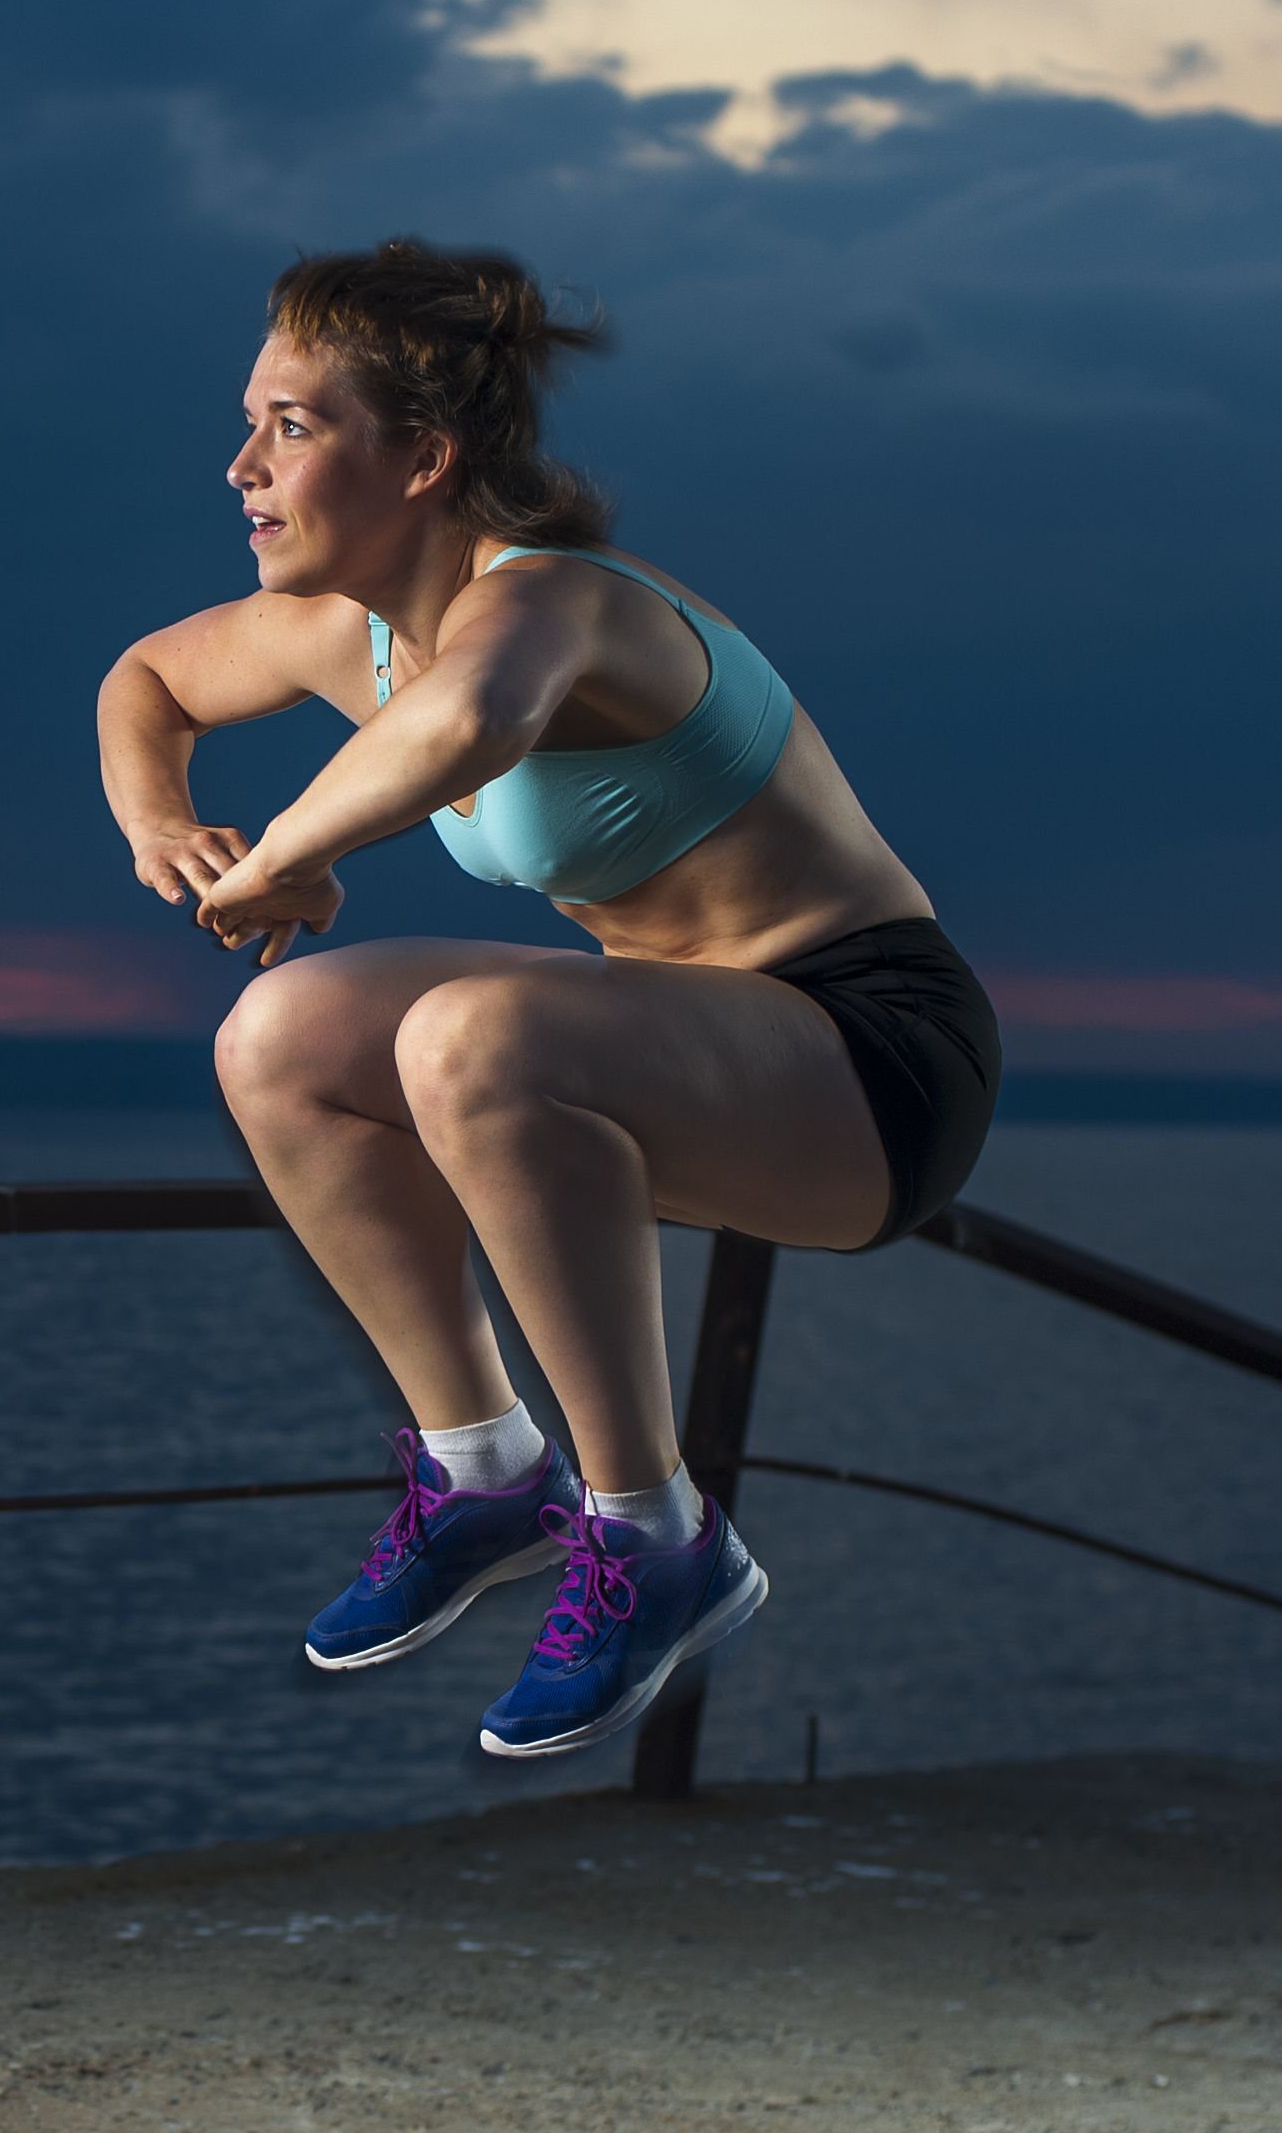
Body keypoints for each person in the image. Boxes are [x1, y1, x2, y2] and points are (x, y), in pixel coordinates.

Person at [96, 238, 996, 1760]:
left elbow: (470, 721)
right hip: (670, 1037)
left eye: (294, 427)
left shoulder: (562, 607)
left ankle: (656, 1535)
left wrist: (293, 856)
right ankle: (488, 1472)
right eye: (253, 421)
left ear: (426, 458)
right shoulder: (346, 636)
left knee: (470, 1035)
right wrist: (163, 829)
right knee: (282, 1037)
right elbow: (148, 680)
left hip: (868, 1058)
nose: (242, 464)